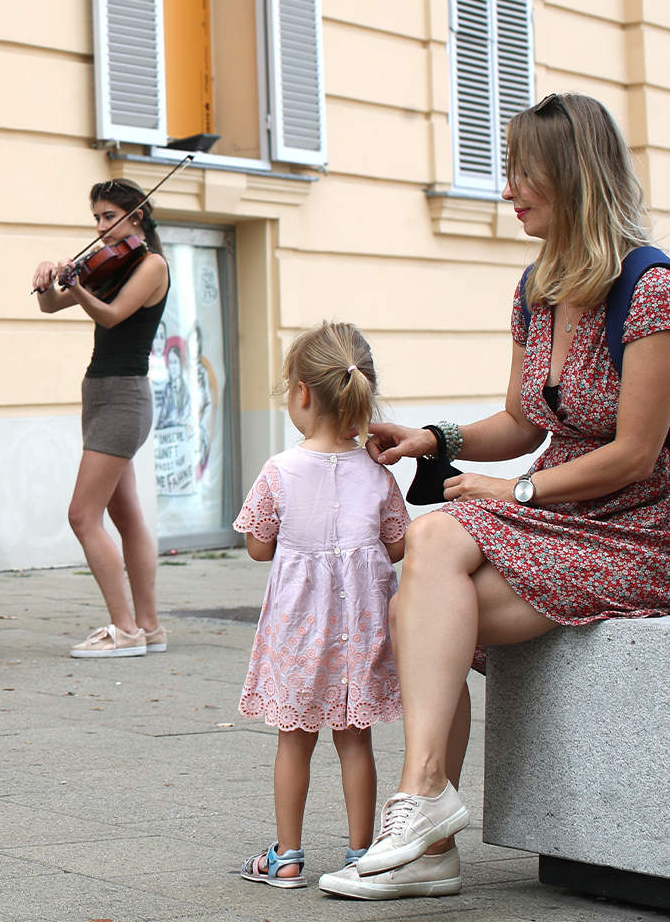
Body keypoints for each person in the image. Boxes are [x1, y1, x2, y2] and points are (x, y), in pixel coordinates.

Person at [322, 93, 670, 900]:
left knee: (431, 559)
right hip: (564, 520)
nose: (507, 189)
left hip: (641, 529)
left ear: (574, 177)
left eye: (522, 175)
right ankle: (426, 817)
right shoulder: (536, 288)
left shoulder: (651, 287)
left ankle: (425, 826)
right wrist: (436, 441)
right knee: (430, 570)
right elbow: (522, 418)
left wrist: (514, 488)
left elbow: (636, 451)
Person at [234, 322, 409, 889]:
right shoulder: (378, 474)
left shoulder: (279, 471)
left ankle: (287, 856)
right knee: (355, 739)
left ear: (302, 393)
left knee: (294, 740)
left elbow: (259, 547)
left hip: (297, 633)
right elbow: (399, 543)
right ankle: (363, 854)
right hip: (360, 632)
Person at [32, 179, 170, 657]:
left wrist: (79, 285)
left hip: (123, 397)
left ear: (138, 217)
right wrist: (50, 277)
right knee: (125, 515)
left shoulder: (150, 264)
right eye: (96, 217)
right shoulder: (111, 265)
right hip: (101, 395)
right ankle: (148, 627)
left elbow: (110, 317)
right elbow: (50, 305)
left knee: (82, 515)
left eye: (109, 216)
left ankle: (124, 630)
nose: (100, 226)